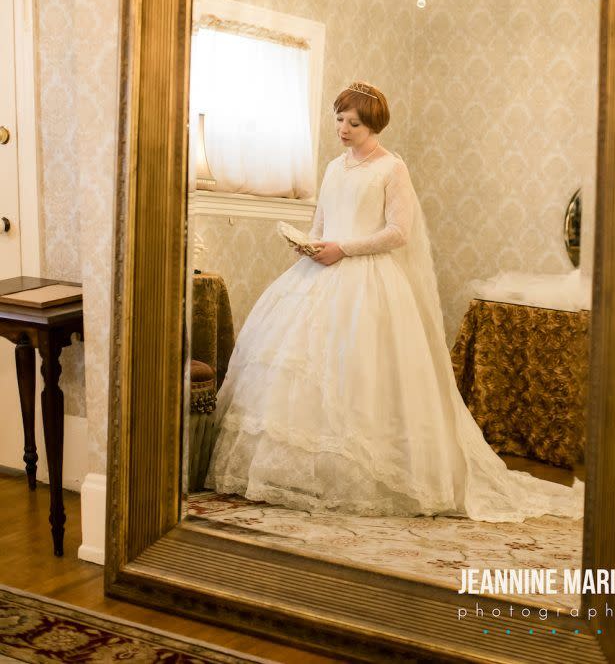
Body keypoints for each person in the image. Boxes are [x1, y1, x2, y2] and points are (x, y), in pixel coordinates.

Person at [206, 81, 583, 522]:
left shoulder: (391, 169)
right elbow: (323, 222)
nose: (343, 129)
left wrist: (342, 248)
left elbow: (398, 232)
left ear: (373, 126)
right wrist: (309, 245)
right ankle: (298, 474)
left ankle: (364, 475)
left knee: (365, 374)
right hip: (318, 276)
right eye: (339, 119)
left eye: (354, 123)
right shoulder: (332, 167)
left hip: (369, 281)